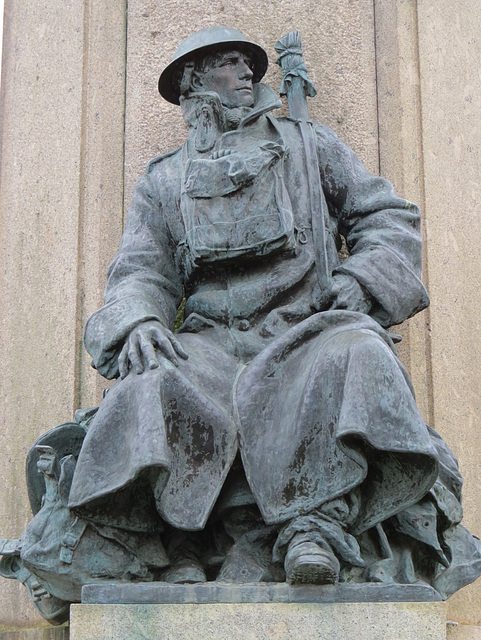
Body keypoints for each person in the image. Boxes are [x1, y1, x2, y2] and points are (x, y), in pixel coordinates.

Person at [2, 28, 480, 613]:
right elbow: (141, 270)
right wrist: (138, 323)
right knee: (151, 381)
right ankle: (172, 542)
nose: (247, 74)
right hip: (207, 342)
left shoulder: (311, 146)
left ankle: (314, 527)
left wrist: (362, 281)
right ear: (194, 83)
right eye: (229, 64)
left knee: (356, 351)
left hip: (306, 328)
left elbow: (387, 217)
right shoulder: (163, 179)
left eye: (248, 65)